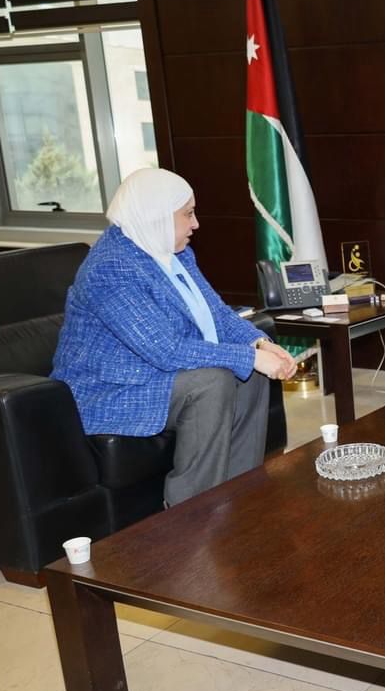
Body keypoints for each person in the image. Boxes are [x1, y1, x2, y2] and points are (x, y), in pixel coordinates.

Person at [52, 168, 297, 506]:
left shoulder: (175, 251)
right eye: (188, 214)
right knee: (212, 382)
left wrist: (259, 344)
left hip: (154, 374)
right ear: (156, 216)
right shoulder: (109, 269)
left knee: (250, 374)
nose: (196, 224)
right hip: (109, 390)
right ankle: (191, 514)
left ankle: (240, 497)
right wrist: (251, 357)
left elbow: (218, 313)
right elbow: (165, 350)